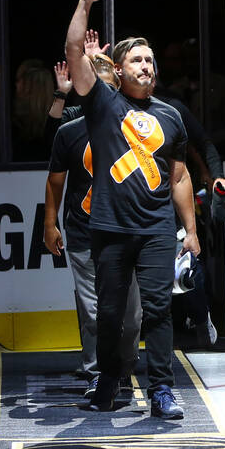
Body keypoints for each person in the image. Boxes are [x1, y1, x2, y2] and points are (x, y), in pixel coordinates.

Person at [64, 0, 198, 419]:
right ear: (118, 70)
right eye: (136, 60)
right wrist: (85, 1)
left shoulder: (171, 116)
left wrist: (191, 231)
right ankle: (107, 380)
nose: (146, 65)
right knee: (110, 313)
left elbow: (178, 177)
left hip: (157, 228)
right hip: (109, 227)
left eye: (150, 60)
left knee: (159, 311)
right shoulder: (102, 105)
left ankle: (162, 389)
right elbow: (73, 53)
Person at [43, 52, 143, 402]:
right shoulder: (71, 129)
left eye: (110, 90)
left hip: (126, 231)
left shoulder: (136, 127)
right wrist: (49, 223)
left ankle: (123, 369)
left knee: (131, 317)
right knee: (92, 310)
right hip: (84, 232)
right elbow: (55, 180)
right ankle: (97, 372)